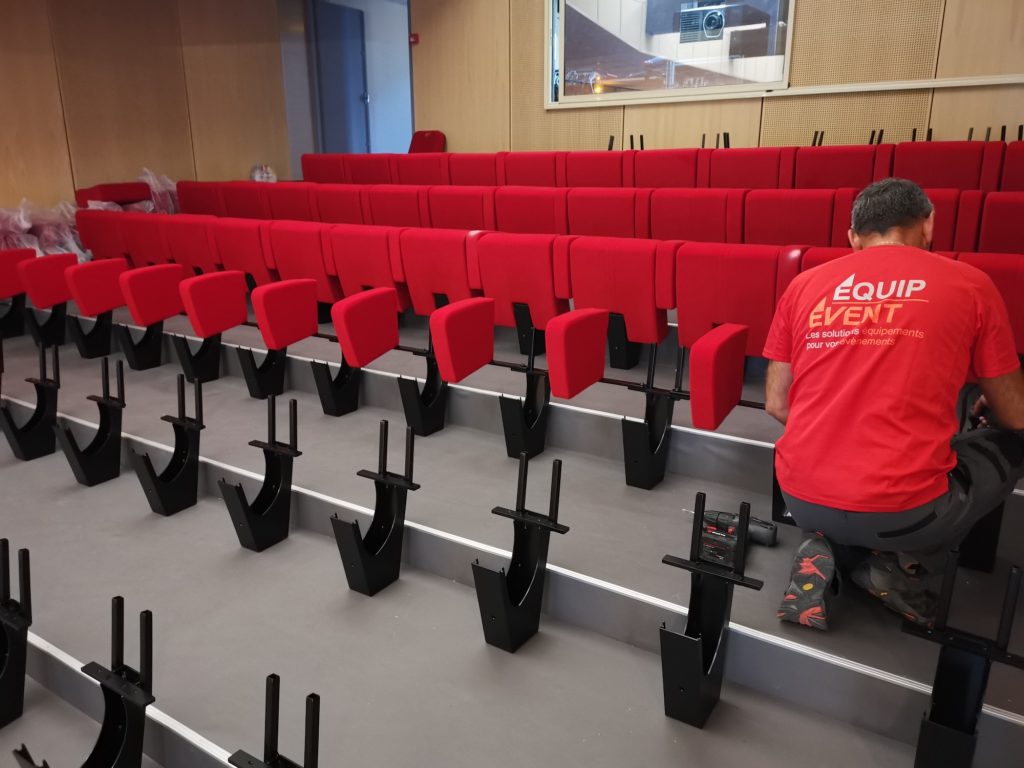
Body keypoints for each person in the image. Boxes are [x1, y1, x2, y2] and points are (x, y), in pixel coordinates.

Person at [762, 178, 1024, 631]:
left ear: (852, 236)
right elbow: (1015, 414)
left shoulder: (804, 286)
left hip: (799, 499)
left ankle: (832, 545)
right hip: (908, 514)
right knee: (1013, 442)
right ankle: (903, 566)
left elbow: (777, 404)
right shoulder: (971, 284)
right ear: (928, 225)